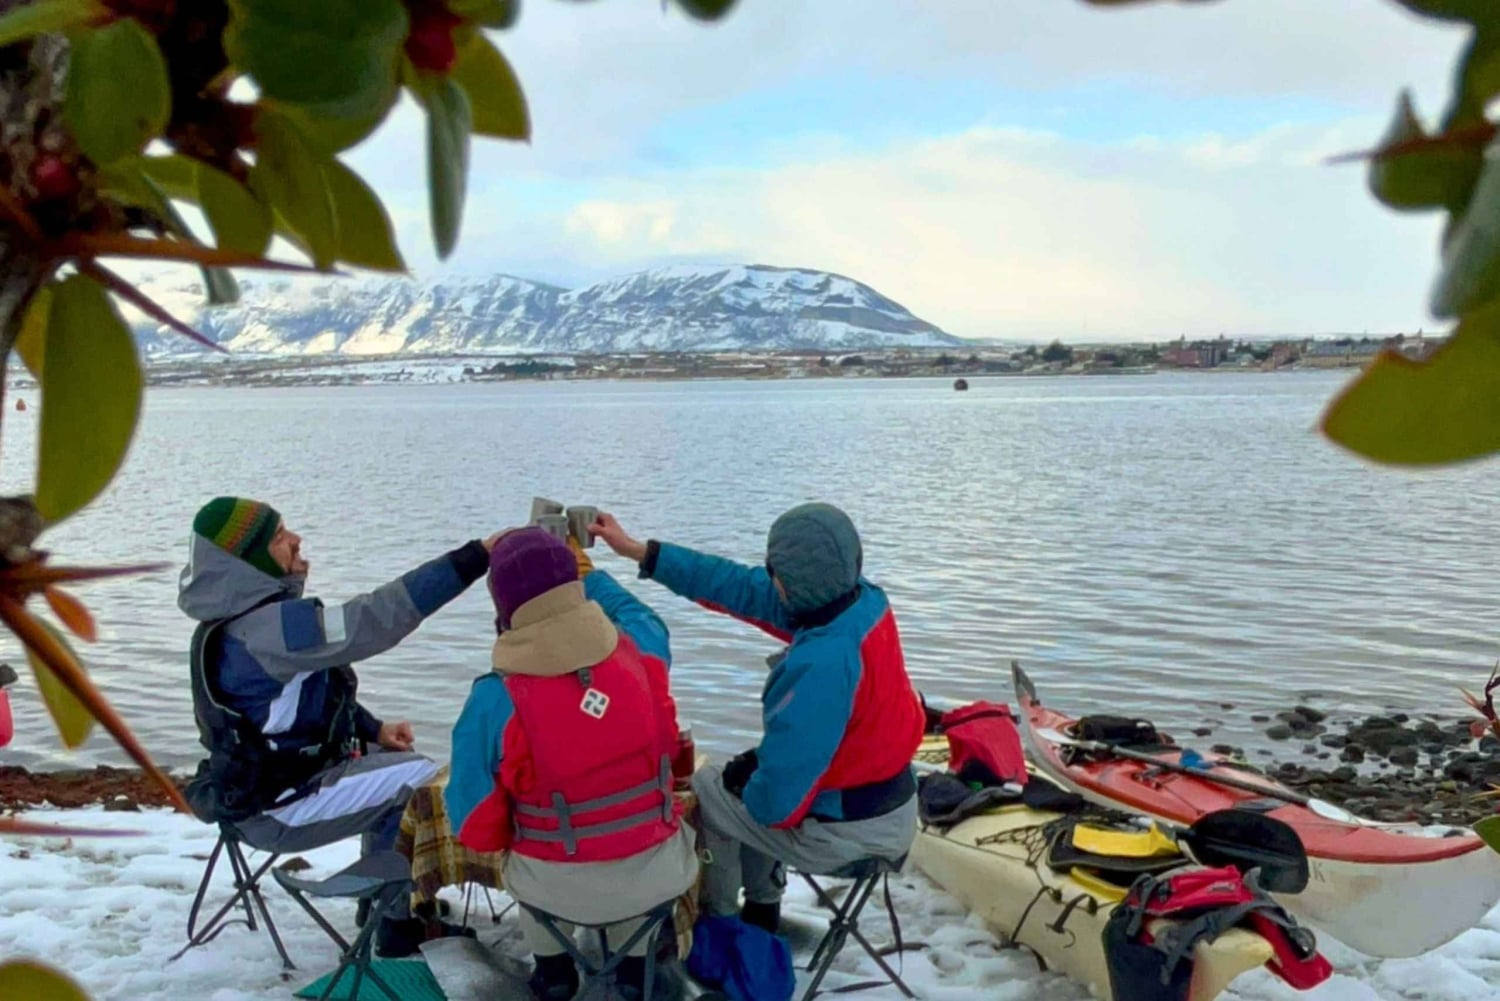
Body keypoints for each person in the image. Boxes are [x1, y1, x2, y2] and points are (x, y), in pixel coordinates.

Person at [178, 496, 495, 955]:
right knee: (422, 781)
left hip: (247, 793)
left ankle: (380, 900)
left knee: (394, 761)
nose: (296, 539)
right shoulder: (269, 630)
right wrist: (476, 557)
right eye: (279, 537)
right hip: (278, 809)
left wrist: (374, 730)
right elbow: (374, 618)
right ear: (246, 562)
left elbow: (305, 700)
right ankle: (396, 924)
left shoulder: (231, 621)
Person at [591, 502, 924, 934]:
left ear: (789, 580)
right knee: (757, 774)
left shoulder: (821, 666)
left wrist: (745, 783)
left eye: (773, 570)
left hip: (852, 836)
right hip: (888, 805)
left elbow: (775, 808)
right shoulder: (861, 602)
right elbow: (737, 586)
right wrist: (642, 552)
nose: (769, 578)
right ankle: (763, 911)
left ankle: (722, 924)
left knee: (710, 790)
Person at [455, 528, 698, 1001]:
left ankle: (554, 972)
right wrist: (589, 573)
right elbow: (644, 616)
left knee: (535, 854)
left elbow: (476, 826)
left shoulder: (493, 697)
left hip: (554, 887)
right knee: (637, 851)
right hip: (655, 876)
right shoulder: (642, 653)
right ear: (575, 587)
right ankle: (635, 971)